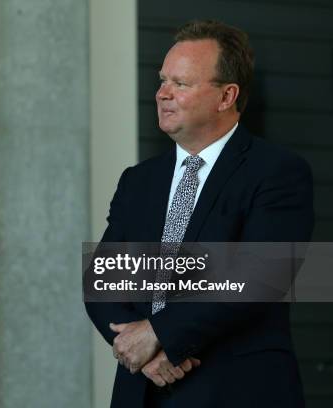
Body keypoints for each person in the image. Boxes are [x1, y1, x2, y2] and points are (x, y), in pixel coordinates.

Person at [85, 20, 314, 407]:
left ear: (227, 96)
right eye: (162, 81)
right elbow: (105, 278)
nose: (162, 94)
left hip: (235, 391)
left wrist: (159, 334)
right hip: (140, 391)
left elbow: (259, 277)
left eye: (181, 84)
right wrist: (138, 351)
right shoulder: (139, 180)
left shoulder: (277, 172)